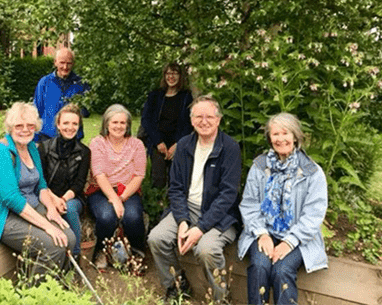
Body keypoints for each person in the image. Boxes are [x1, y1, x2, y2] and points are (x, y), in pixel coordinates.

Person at [146, 95, 241, 303]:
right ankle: (177, 286)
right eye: (198, 116)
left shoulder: (230, 148)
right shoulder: (184, 145)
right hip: (187, 208)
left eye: (209, 117)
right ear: (191, 120)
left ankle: (220, 298)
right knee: (157, 238)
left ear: (218, 119)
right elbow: (176, 188)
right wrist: (182, 220)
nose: (204, 121)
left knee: (206, 249)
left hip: (220, 215)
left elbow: (228, 195)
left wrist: (200, 228)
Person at [0, 102, 75, 276]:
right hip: (2, 214)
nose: (25, 130)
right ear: (10, 127)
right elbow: (11, 198)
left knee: (70, 239)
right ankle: (37, 290)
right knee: (53, 245)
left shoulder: (31, 148)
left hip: (29, 205)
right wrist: (47, 226)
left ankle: (57, 284)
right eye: (19, 126)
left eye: (30, 126)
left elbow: (41, 184)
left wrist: (51, 210)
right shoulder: (0, 152)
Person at [238, 113, 328, 305]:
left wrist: (289, 242)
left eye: (285, 133)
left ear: (295, 136)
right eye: (275, 134)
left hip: (299, 237)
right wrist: (262, 234)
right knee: (260, 266)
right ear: (269, 138)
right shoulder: (259, 167)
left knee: (282, 270)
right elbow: (249, 204)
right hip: (264, 231)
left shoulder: (312, 172)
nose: (280, 139)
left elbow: (314, 214)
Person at [87, 104, 147, 269]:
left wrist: (122, 197)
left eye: (122, 122)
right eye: (115, 122)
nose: (119, 126)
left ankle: (136, 252)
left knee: (133, 217)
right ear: (106, 124)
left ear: (128, 125)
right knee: (107, 216)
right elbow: (99, 174)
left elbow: (139, 175)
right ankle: (101, 251)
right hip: (101, 190)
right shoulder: (98, 143)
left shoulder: (136, 145)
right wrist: (114, 199)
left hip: (128, 190)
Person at [37, 103, 91, 262]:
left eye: (74, 123)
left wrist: (63, 199)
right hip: (47, 194)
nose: (70, 127)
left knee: (70, 209)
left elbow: (79, 183)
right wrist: (53, 200)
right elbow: (41, 179)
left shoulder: (84, 152)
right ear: (58, 125)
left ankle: (75, 256)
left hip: (72, 197)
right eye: (66, 123)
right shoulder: (44, 148)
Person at [141, 62, 194, 189]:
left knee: (176, 180)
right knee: (158, 179)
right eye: (168, 73)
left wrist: (178, 144)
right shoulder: (155, 95)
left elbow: (189, 123)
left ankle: (173, 200)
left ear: (180, 76)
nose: (171, 77)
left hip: (178, 143)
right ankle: (157, 200)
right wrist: (158, 142)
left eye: (175, 73)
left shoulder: (186, 97)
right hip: (158, 142)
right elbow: (146, 120)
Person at [33, 48, 89, 142]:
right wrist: (36, 139)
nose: (65, 67)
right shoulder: (44, 82)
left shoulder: (81, 84)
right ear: (55, 62)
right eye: (62, 63)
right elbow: (36, 111)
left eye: (69, 63)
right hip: (47, 138)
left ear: (73, 63)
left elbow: (86, 112)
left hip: (72, 137)